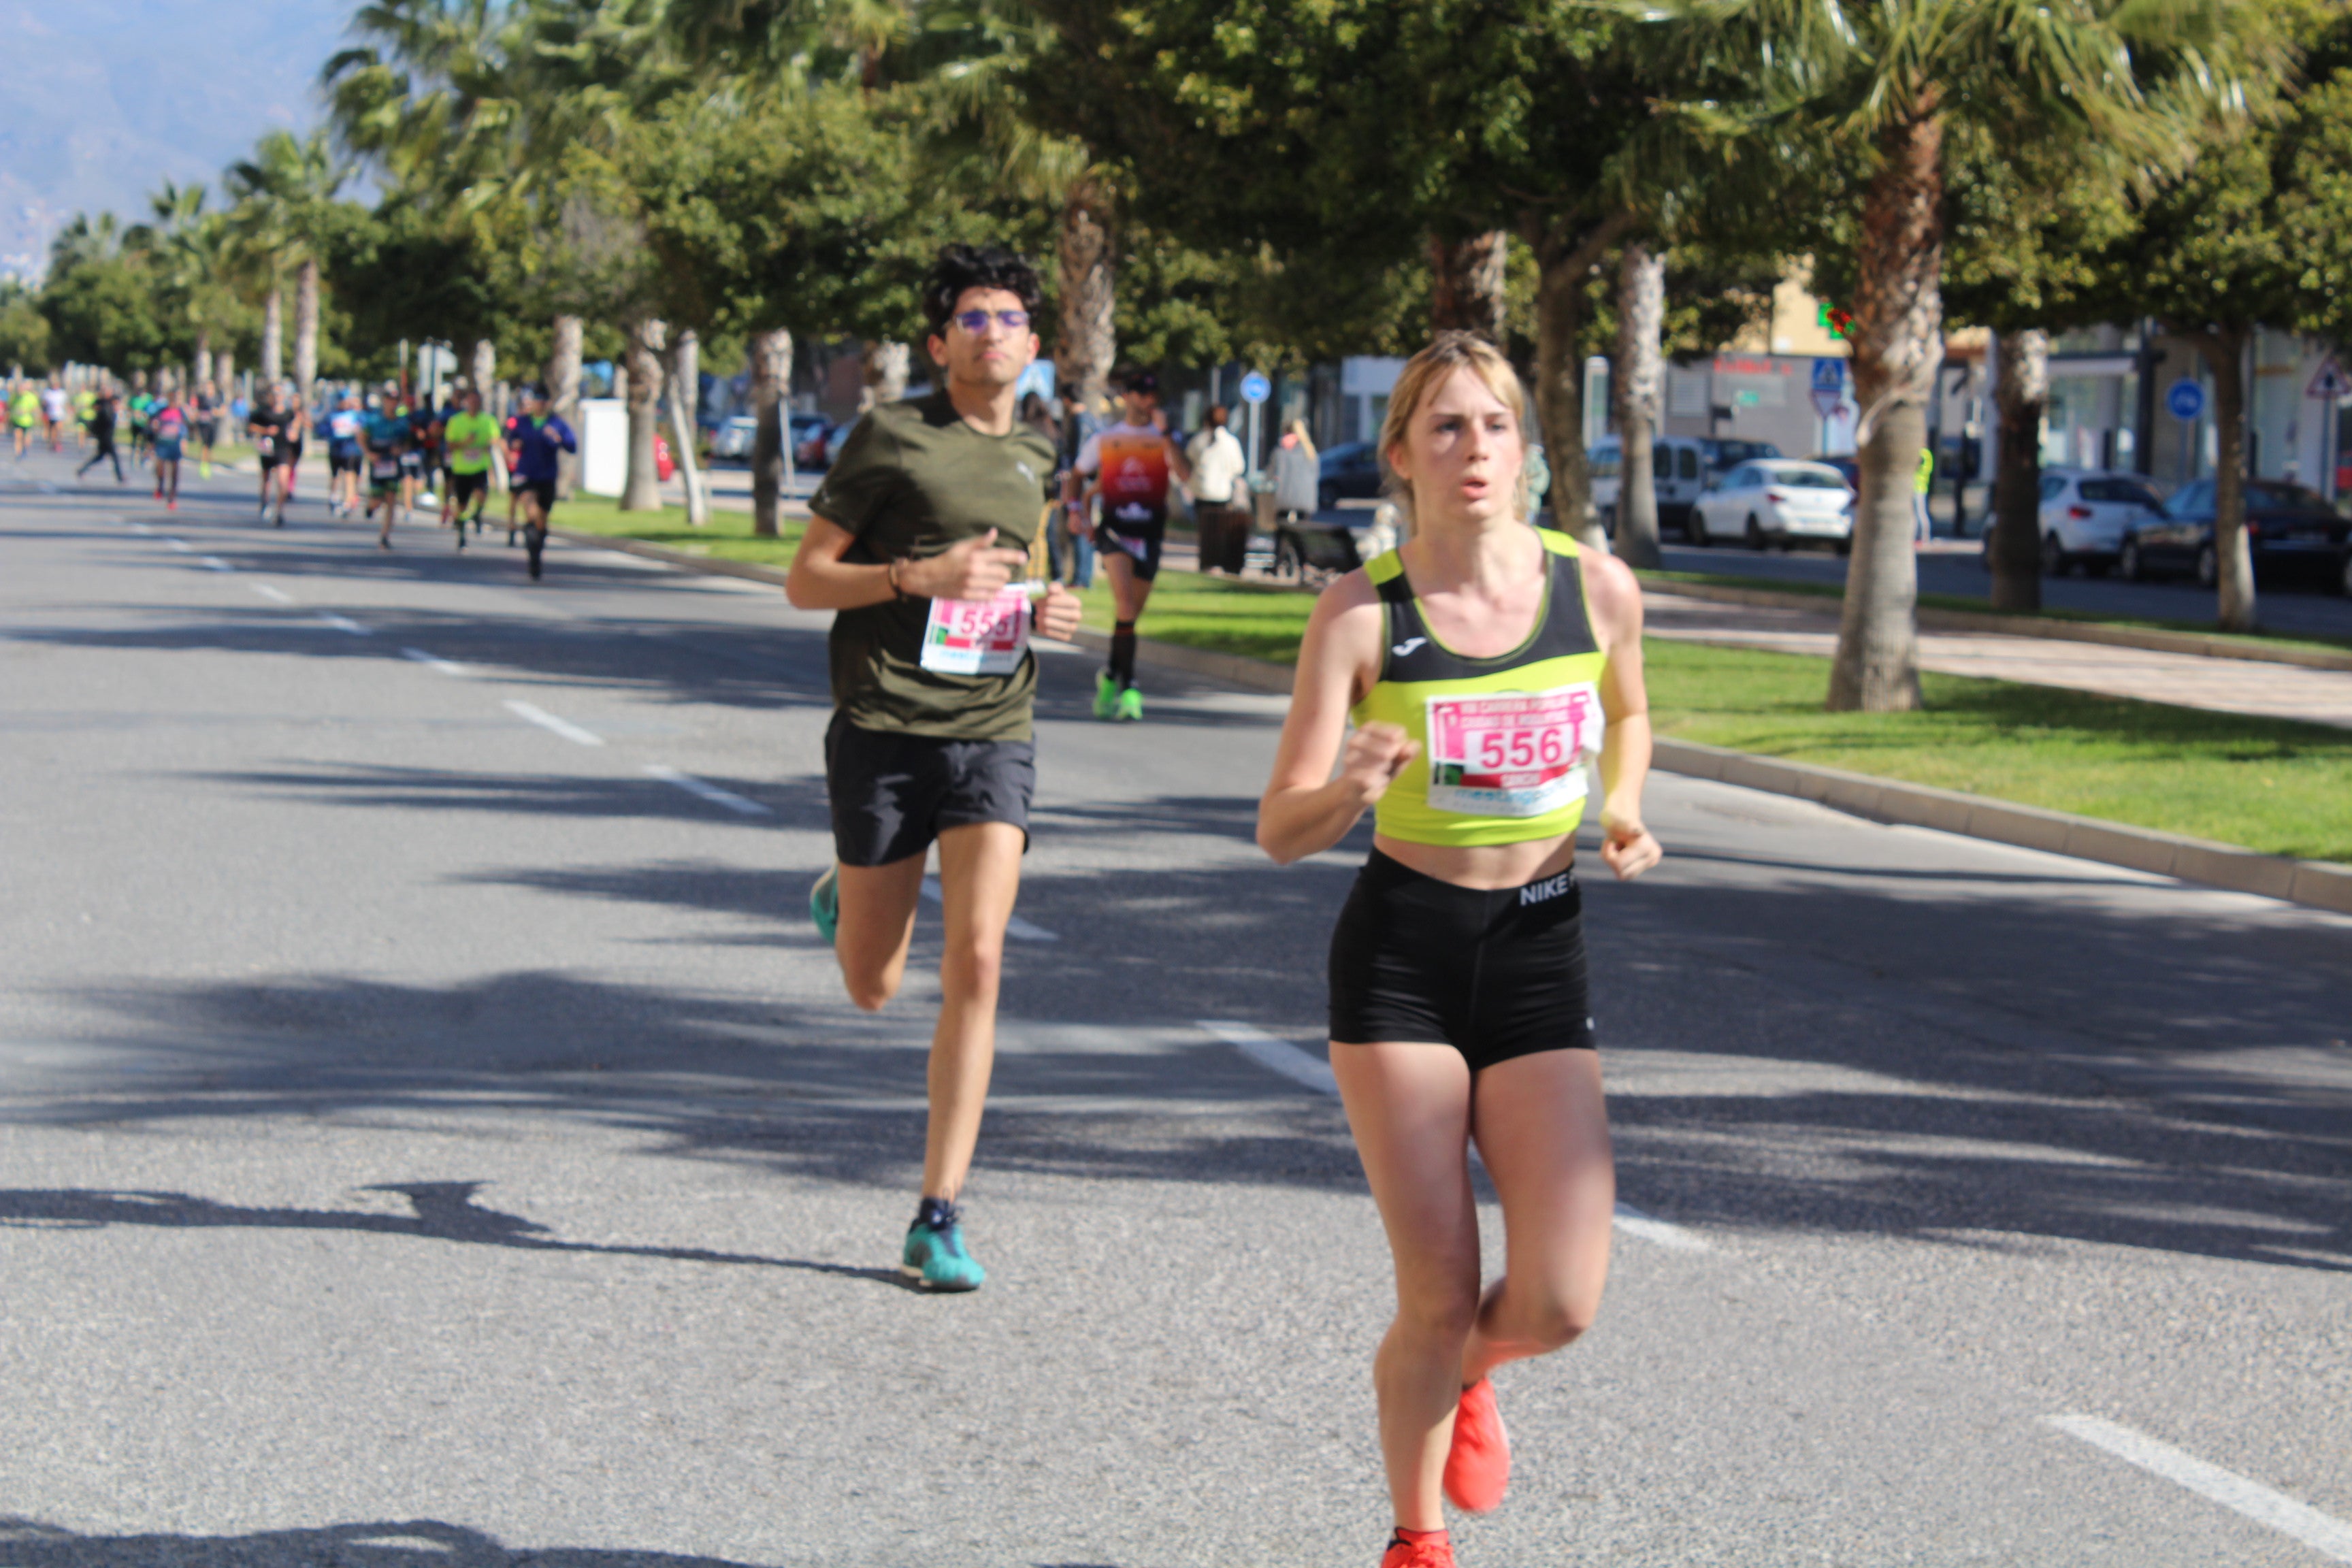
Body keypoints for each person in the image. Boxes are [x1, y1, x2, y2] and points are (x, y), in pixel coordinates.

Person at [1253, 333, 1663, 1568]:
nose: (1471, 448)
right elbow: (1280, 825)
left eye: (1494, 425)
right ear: (1400, 456)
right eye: (1444, 427)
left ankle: (1468, 1372)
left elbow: (1630, 710)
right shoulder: (1361, 611)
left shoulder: (1592, 587)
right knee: (1435, 1290)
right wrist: (1354, 785)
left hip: (1540, 948)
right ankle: (1416, 1538)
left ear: (1526, 452)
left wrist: (1624, 802)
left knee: (1560, 1298)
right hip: (1403, 960)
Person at [783, 242, 1082, 1293]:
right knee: (874, 985)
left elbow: (1017, 572)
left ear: (1035, 346)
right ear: (938, 340)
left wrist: (1044, 607)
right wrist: (919, 576)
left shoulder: (1043, 454)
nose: (991, 332)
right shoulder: (893, 435)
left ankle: (938, 1213)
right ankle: (843, 888)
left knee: (983, 962)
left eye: (1009, 318)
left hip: (994, 724)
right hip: (884, 722)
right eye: (971, 317)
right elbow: (806, 581)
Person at [1066, 370, 1192, 720]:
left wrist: (1167, 434)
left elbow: (1185, 474)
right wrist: (1075, 511)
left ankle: (1109, 675)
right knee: (1124, 605)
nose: (1148, 400)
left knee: (1130, 617)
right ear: (1128, 397)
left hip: (1150, 533)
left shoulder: (1164, 439)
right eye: (1141, 393)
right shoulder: (1107, 439)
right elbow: (1077, 475)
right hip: (1115, 533)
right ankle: (1130, 688)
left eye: (1152, 394)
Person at [505, 385, 577, 579]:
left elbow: (572, 446)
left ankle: (537, 550)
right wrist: (515, 445)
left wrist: (558, 438)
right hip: (527, 474)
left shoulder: (556, 423)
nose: (540, 404)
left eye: (544, 401)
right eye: (537, 400)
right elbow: (512, 439)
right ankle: (532, 555)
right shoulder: (523, 422)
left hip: (547, 476)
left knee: (541, 520)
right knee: (531, 512)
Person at [1187, 405, 1250, 574]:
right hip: (1223, 493)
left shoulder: (1198, 440)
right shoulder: (1231, 442)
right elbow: (1239, 467)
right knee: (1219, 530)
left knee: (1205, 531)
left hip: (1201, 492)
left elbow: (1188, 462)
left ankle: (1206, 562)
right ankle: (1216, 562)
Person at [440, 387, 499, 545]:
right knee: (462, 504)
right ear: (466, 403)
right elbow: (450, 444)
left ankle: (478, 514)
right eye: (471, 401)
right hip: (462, 469)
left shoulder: (488, 420)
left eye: (476, 401)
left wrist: (488, 444)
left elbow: (495, 438)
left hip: (480, 466)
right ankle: (461, 534)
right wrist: (466, 442)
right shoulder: (456, 421)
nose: (474, 404)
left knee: (481, 494)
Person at [361, 392, 412, 548]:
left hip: (393, 465)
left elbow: (408, 443)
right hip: (378, 464)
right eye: (389, 400)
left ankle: (385, 536)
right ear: (384, 402)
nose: (392, 404)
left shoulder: (402, 424)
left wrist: (402, 450)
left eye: (395, 401)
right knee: (378, 500)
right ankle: (371, 507)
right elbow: (361, 436)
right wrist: (368, 454)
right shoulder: (374, 421)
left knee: (391, 499)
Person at [247, 386, 296, 523]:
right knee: (266, 479)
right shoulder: (262, 412)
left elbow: (294, 424)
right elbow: (251, 427)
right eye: (274, 394)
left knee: (282, 481)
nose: (277, 397)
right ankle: (265, 501)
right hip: (267, 448)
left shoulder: (288, 413)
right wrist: (265, 430)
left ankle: (280, 512)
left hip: (283, 448)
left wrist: (293, 433)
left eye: (280, 394)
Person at [326, 390, 365, 517]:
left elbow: (364, 426)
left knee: (349, 474)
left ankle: (348, 502)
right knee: (335, 475)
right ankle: (333, 496)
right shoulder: (332, 414)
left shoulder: (355, 415)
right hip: (335, 449)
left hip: (350, 450)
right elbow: (324, 429)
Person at [149, 390, 189, 510]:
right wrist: (154, 429)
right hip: (162, 443)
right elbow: (153, 424)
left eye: (176, 401)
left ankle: (172, 497)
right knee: (160, 468)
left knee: (175, 471)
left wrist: (184, 442)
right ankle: (160, 487)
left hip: (175, 443)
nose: (174, 403)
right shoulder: (161, 411)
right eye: (172, 400)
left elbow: (186, 427)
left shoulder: (181, 412)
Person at [76, 391, 124, 484]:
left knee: (99, 457)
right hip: (106, 438)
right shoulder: (108, 410)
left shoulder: (108, 409)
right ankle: (120, 477)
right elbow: (106, 424)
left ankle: (82, 470)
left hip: (105, 438)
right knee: (115, 458)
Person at [192, 382, 221, 476]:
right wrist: (199, 415)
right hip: (203, 424)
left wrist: (216, 412)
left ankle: (208, 462)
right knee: (204, 444)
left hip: (213, 424)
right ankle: (204, 464)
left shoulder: (218, 398)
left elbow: (222, 410)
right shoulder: (201, 398)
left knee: (210, 445)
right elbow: (195, 410)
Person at [12, 381, 42, 459]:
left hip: (27, 421)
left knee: (26, 437)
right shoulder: (15, 397)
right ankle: (18, 453)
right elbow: (11, 406)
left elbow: (36, 408)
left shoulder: (31, 397)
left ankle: (25, 449)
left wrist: (27, 411)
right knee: (17, 437)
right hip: (17, 420)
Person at [41, 382, 70, 452]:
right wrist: (44, 411)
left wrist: (68, 411)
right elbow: (44, 403)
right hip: (51, 414)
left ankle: (58, 442)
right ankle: (53, 443)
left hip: (60, 414)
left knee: (59, 429)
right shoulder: (48, 393)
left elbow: (66, 403)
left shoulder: (62, 393)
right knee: (52, 430)